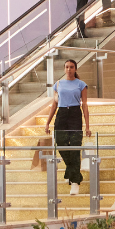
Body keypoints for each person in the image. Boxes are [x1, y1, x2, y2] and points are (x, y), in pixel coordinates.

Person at [43, 59, 91, 195]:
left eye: (71, 67)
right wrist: (47, 122)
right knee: (61, 143)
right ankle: (73, 172)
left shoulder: (81, 84)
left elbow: (85, 105)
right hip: (61, 114)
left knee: (75, 146)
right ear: (64, 69)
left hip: (75, 114)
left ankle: (75, 181)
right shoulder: (58, 84)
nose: (69, 69)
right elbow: (54, 104)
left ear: (75, 69)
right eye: (66, 67)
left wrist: (87, 126)